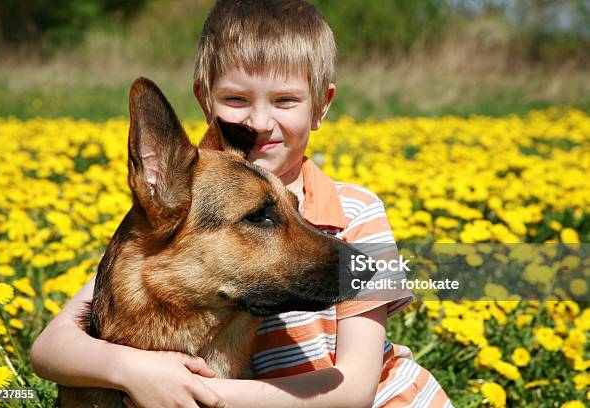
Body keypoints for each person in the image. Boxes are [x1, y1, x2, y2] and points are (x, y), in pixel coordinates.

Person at [31, 1, 453, 407]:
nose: (259, 122)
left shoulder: (359, 211)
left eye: (285, 100)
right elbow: (52, 347)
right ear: (206, 100)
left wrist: (191, 395)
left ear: (322, 105)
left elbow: (354, 392)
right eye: (236, 100)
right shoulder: (177, 220)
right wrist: (135, 371)